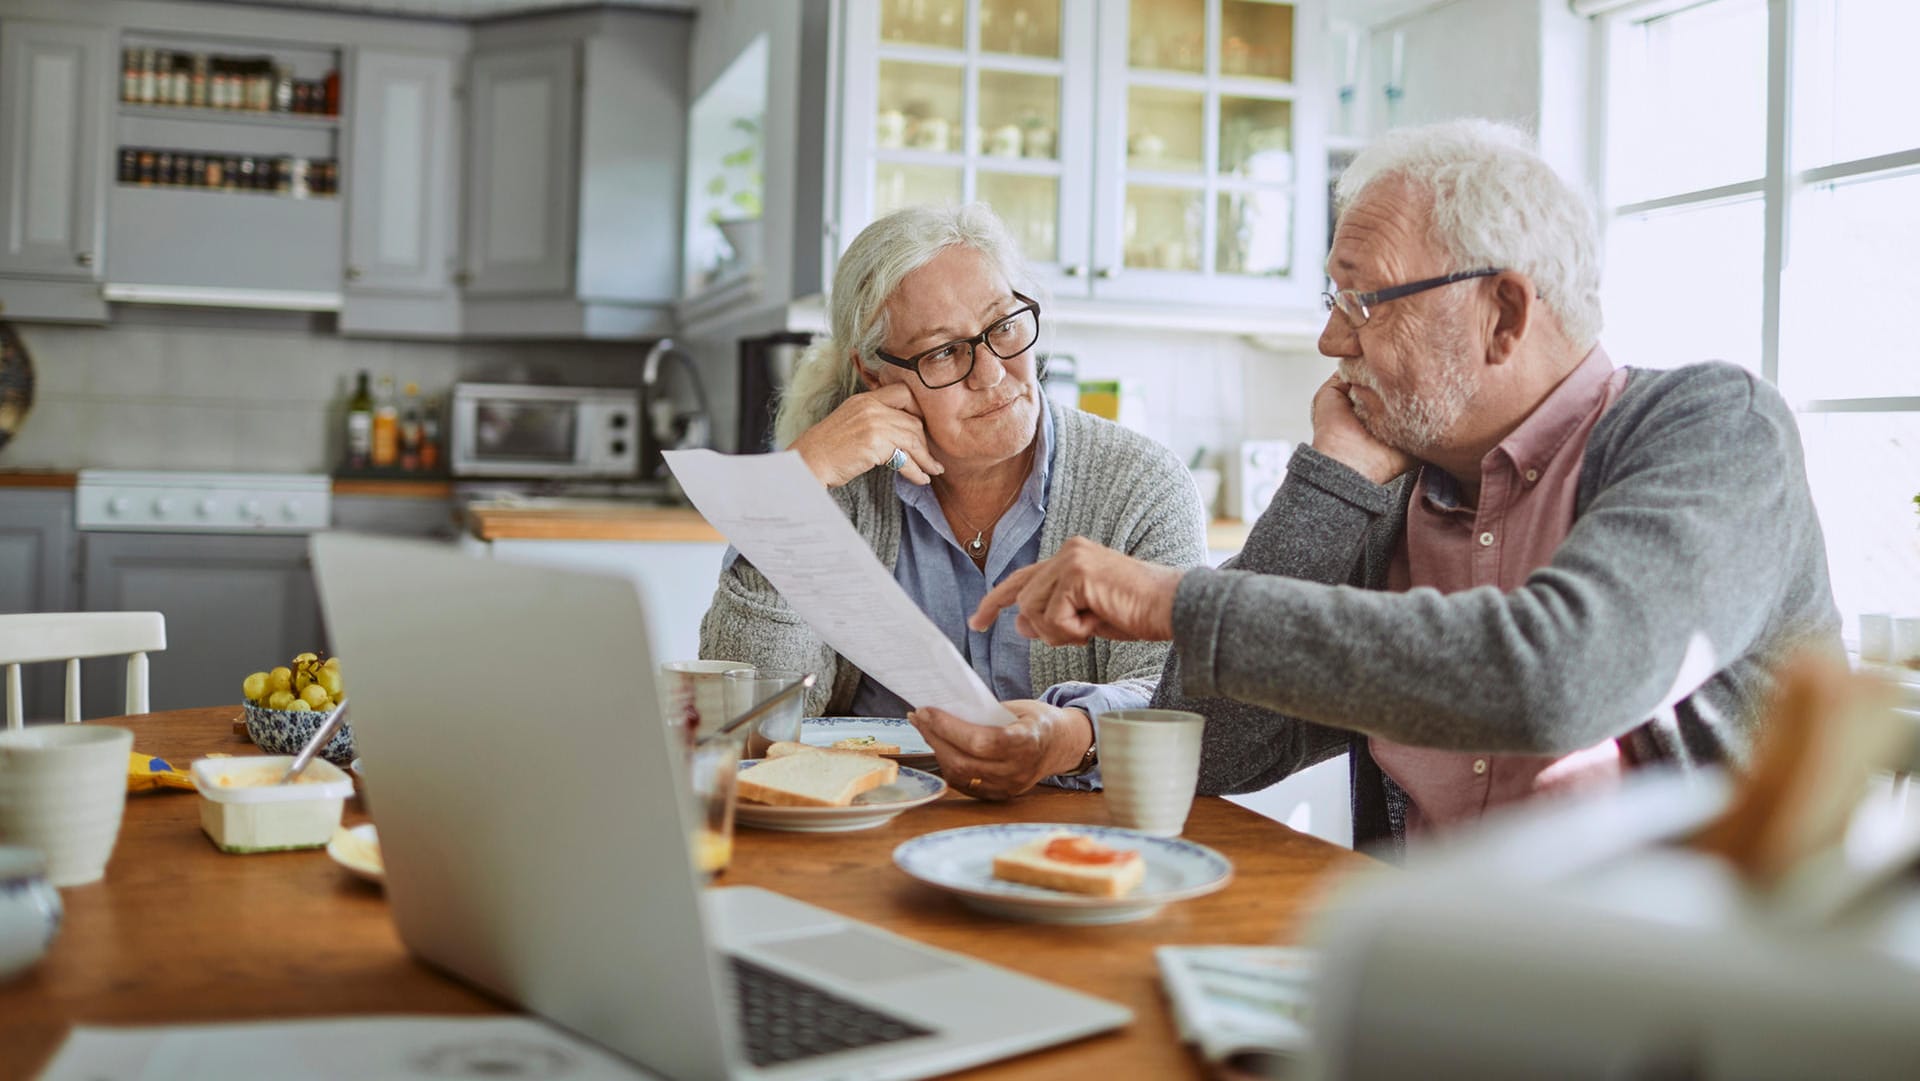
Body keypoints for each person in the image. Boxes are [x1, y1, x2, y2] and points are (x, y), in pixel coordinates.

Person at [967, 119, 1842, 852]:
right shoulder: (1392, 489)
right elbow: (1219, 745)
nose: (1330, 342)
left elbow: (1560, 675)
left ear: (1503, 313)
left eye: (1364, 302)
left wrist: (1176, 601)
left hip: (1687, 1004)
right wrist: (1333, 482)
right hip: (1421, 975)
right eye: (1331, 300)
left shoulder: (1717, 428)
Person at [699, 203, 1206, 800]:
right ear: (874, 374)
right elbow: (749, 723)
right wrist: (793, 490)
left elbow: (1175, 704)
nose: (991, 373)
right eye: (943, 351)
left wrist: (1072, 735)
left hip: (1075, 828)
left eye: (1004, 326)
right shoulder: (840, 484)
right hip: (865, 826)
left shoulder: (1141, 484)